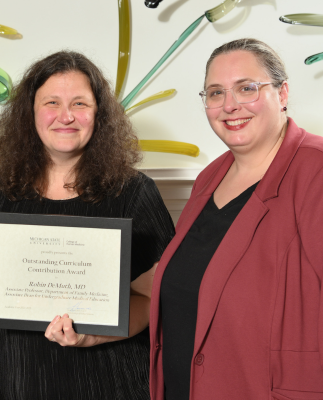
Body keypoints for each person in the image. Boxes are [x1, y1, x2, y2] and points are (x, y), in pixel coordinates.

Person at [0, 51, 175, 400]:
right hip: (18, 384)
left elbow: (152, 299)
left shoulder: (134, 192)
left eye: (80, 103)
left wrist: (91, 336)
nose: (66, 116)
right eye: (51, 102)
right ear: (29, 113)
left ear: (98, 114)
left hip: (112, 385)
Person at [149, 37, 323, 400]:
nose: (230, 106)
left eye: (247, 88)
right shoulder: (209, 178)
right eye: (215, 93)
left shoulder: (315, 170)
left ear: (283, 93)